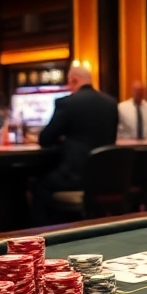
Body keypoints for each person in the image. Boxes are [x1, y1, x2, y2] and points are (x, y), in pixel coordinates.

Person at [30, 66, 118, 225]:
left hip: (76, 177)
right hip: (105, 178)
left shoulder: (68, 103)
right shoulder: (111, 103)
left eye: (69, 85)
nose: (68, 89)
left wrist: (63, 138)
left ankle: (42, 235)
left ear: (74, 80)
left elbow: (45, 139)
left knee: (37, 185)